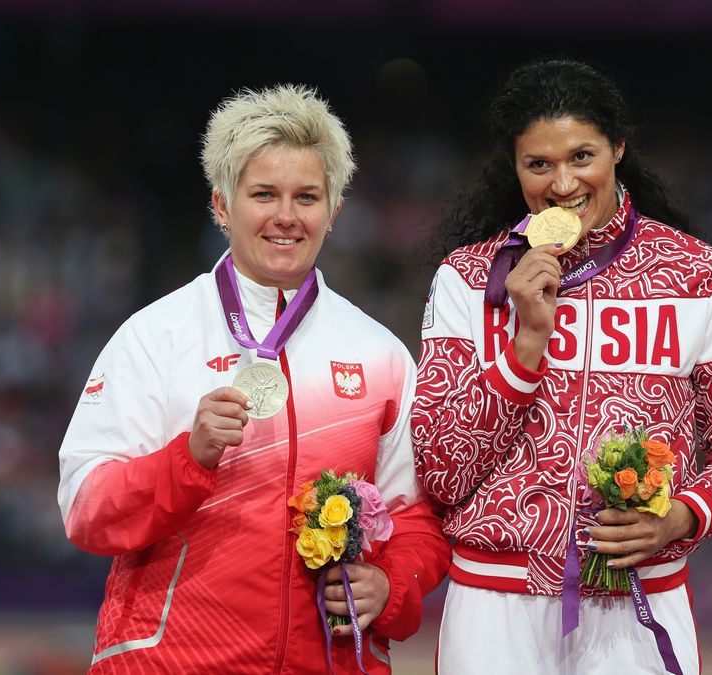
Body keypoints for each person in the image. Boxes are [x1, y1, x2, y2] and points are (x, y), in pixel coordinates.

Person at [57, 84, 450, 673]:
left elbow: (419, 515)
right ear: (222, 206)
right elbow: (86, 509)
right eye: (264, 194)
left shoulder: (379, 353)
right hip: (171, 661)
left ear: (334, 211)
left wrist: (391, 586)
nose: (286, 216)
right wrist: (187, 456)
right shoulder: (156, 336)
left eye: (307, 197)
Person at [413, 59, 712, 674]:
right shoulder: (468, 280)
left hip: (638, 597)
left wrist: (681, 517)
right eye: (538, 164)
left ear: (618, 148)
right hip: (496, 604)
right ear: (514, 167)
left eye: (582, 156)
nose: (562, 182)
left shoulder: (700, 276)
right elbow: (440, 471)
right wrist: (525, 345)